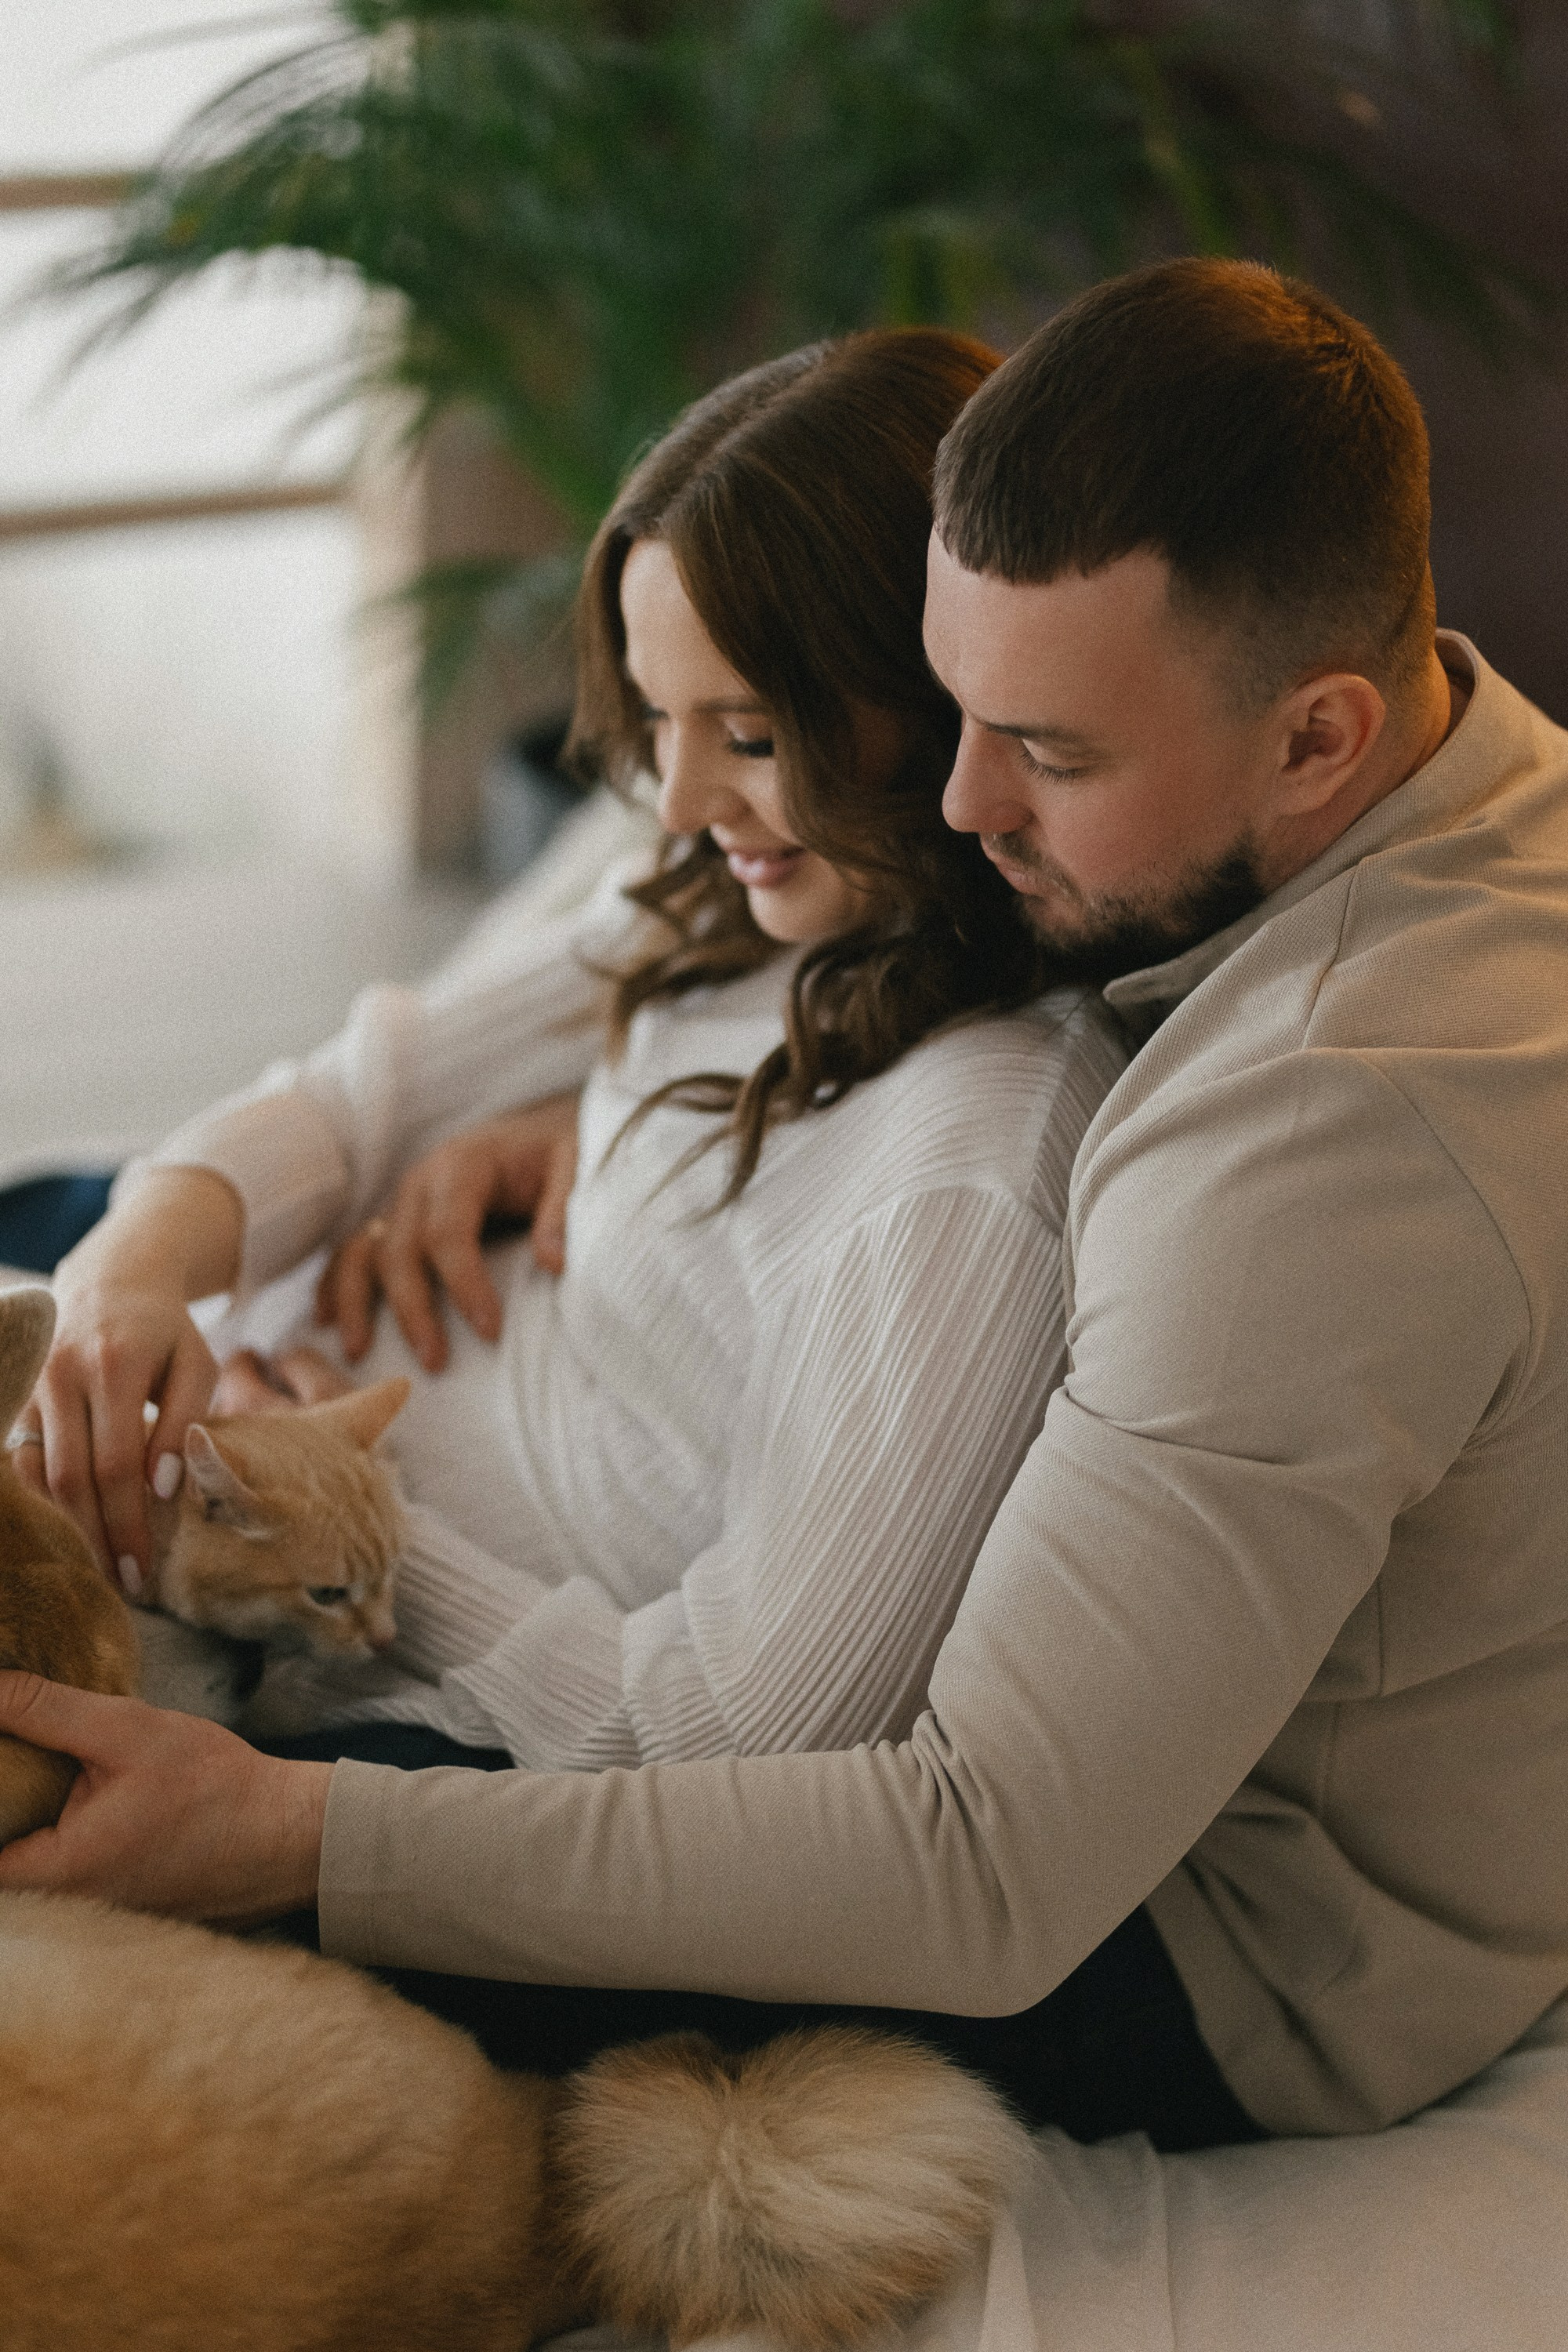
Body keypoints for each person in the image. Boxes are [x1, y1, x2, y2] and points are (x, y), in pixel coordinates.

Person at [5, 257, 1566, 2157]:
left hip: (1190, 1935)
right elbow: (440, 1055)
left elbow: (960, 1849)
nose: (970, 804)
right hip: (550, 1461)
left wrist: (296, 1812)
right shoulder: (1407, 764)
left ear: (1317, 737)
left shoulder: (1287, 1144)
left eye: (1048, 757)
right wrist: (597, 1115)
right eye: (953, 706)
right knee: (73, 1221)